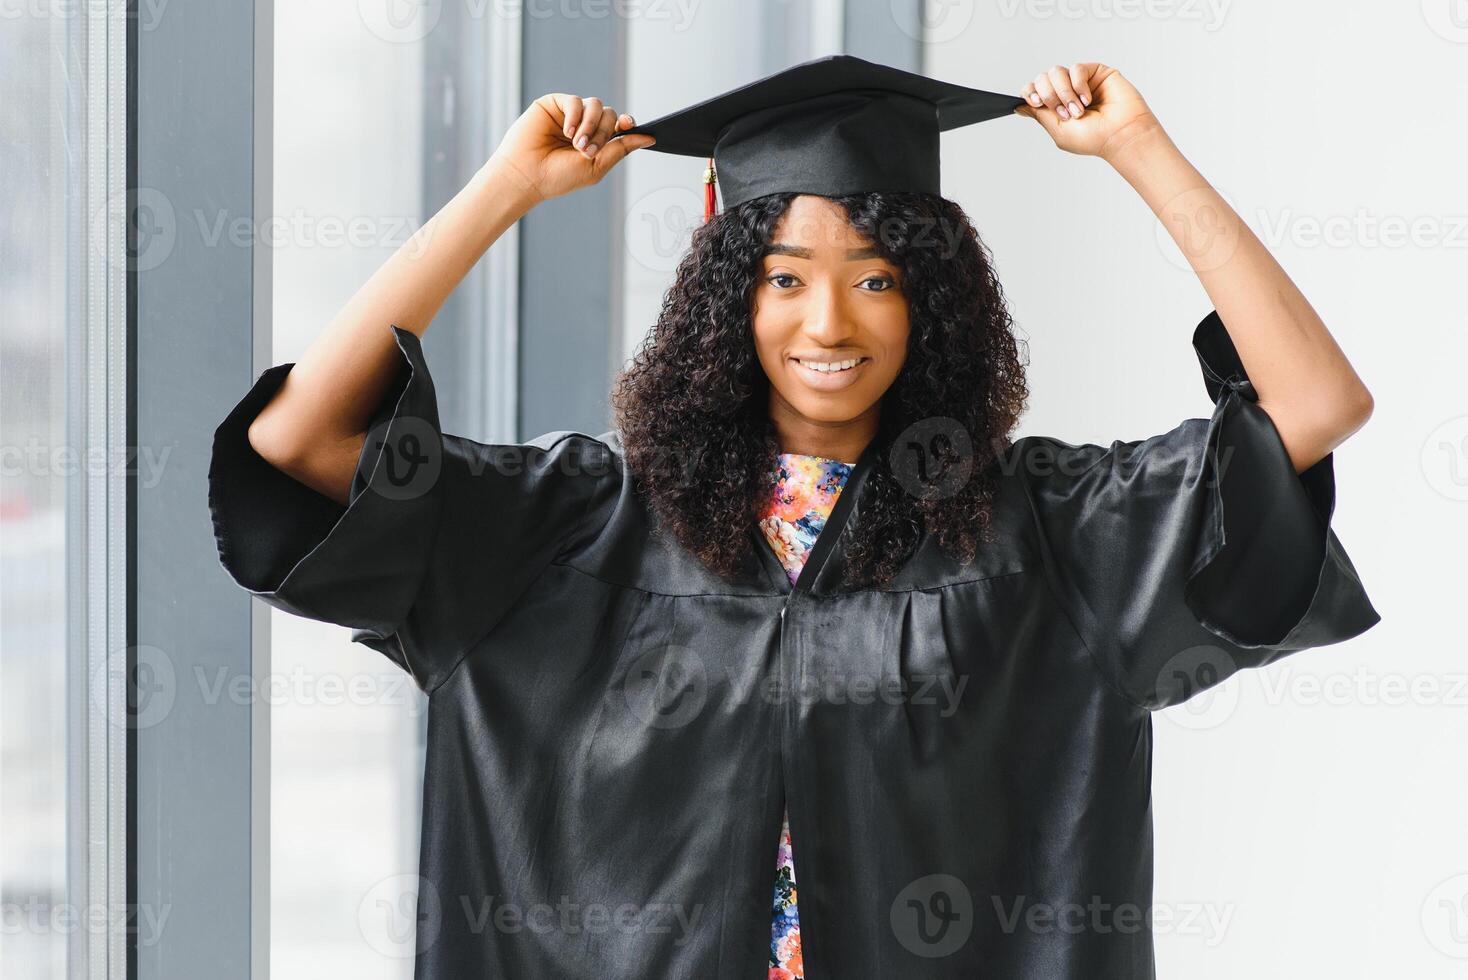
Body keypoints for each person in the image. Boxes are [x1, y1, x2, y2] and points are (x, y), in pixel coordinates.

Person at [208, 55, 1379, 979]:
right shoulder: (565, 530)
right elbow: (300, 443)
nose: (830, 320)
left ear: (934, 305)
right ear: (726, 301)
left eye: (876, 277)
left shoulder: (1047, 532)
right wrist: (504, 187)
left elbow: (1313, 403)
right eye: (782, 276)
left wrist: (1138, 148)